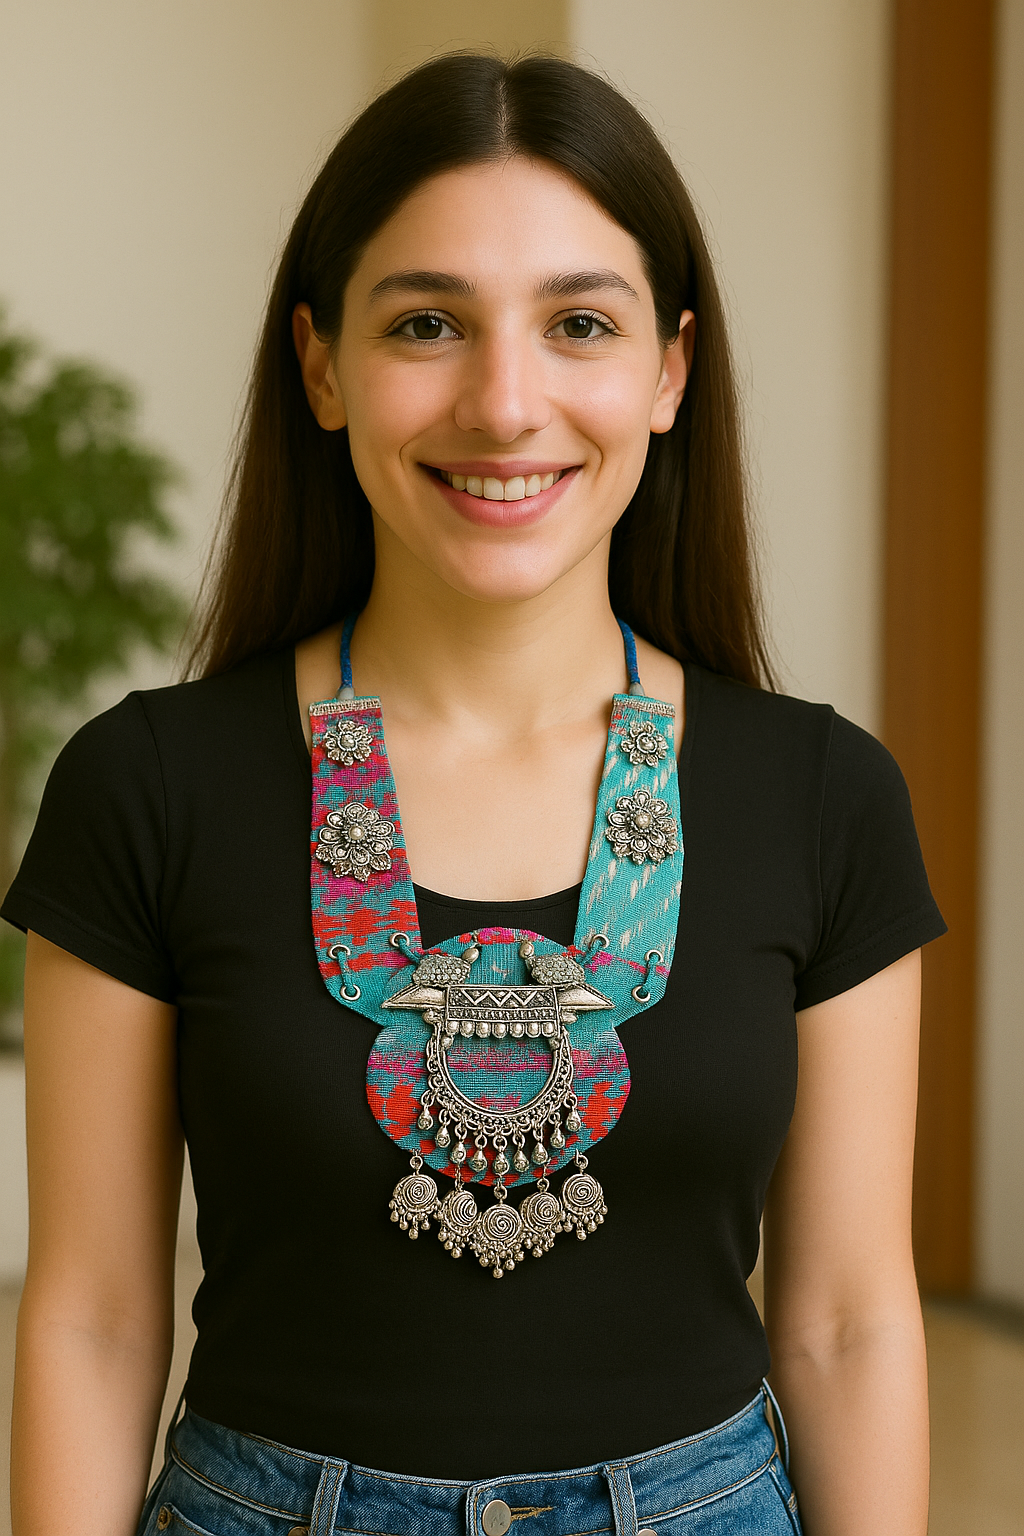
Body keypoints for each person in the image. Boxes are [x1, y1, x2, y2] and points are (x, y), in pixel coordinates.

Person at [3, 53, 944, 1536]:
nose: (505, 404)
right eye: (427, 324)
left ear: (670, 369)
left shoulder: (824, 796)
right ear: (320, 365)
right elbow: (92, 1318)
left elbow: (848, 1323)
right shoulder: (148, 787)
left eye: (580, 323)